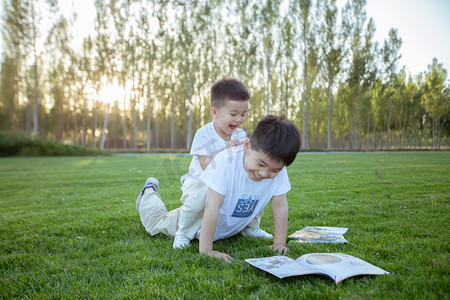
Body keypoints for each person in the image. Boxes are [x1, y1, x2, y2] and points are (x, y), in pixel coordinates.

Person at [136, 115, 301, 262]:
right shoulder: (225, 162)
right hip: (195, 221)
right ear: (246, 146)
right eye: (261, 164)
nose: (264, 173)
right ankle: (148, 193)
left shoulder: (278, 170)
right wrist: (207, 250)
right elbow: (211, 206)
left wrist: (279, 243)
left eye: (274, 170)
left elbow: (279, 206)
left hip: (226, 227)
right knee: (155, 223)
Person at [167, 78, 273, 249]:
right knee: (196, 202)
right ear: (214, 112)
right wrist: (226, 152)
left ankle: (250, 226)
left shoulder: (240, 134)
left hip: (228, 182)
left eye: (243, 114)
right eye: (233, 114)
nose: (239, 119)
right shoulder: (204, 134)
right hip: (201, 181)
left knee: (254, 187)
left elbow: (243, 164)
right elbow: (205, 165)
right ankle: (183, 233)